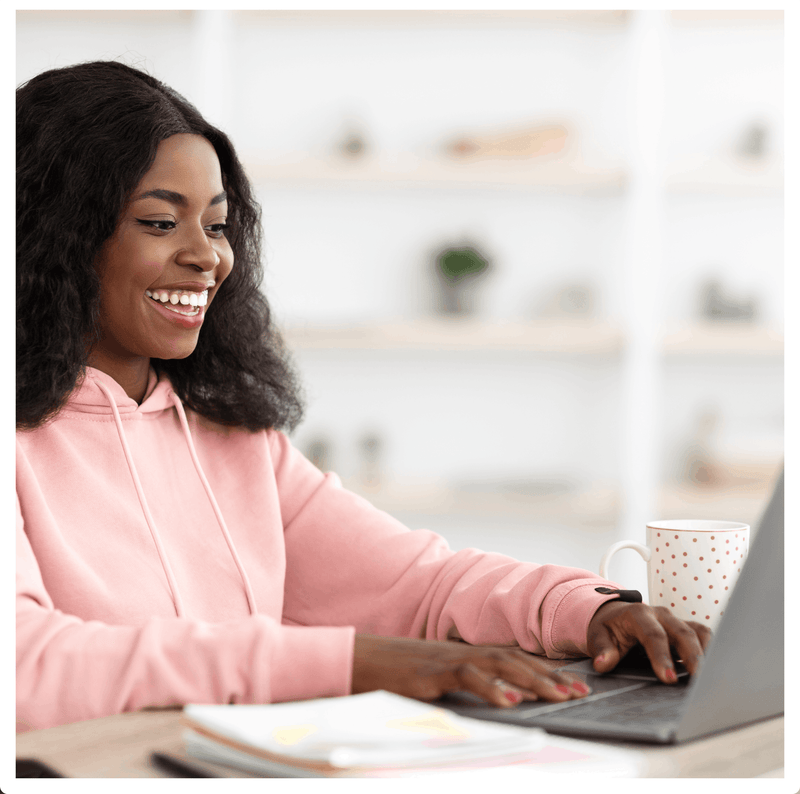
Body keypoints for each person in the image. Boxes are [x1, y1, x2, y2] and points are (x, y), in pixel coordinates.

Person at [16, 60, 710, 734]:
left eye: (218, 224)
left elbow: (417, 584)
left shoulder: (235, 441)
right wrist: (354, 662)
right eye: (161, 223)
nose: (208, 256)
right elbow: (26, 664)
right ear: (56, 237)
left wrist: (585, 611)